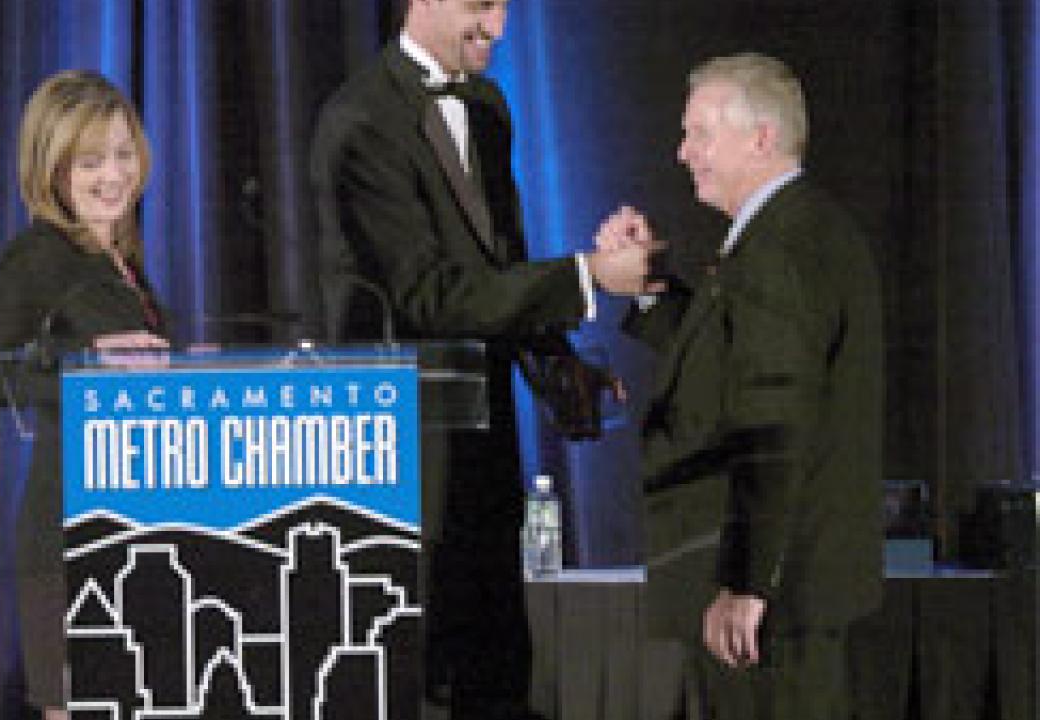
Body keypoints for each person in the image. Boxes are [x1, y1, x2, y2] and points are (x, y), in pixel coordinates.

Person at [309, 1, 655, 717]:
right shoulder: (360, 122)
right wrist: (588, 275)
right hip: (402, 464)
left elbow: (501, 267)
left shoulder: (490, 108)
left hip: (485, 445)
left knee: (496, 679)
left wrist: (561, 366)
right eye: (479, 6)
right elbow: (430, 296)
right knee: (420, 680)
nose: (498, 29)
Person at [605, 53, 883, 719]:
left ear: (760, 138)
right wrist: (651, 292)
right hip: (784, 594)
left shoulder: (781, 246)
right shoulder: (788, 233)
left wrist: (746, 581)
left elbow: (774, 421)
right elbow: (734, 373)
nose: (682, 152)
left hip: (770, 605)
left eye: (699, 133)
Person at [0, 70, 169, 720]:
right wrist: (81, 364)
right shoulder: (39, 256)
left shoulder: (119, 260)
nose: (114, 175)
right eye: (90, 161)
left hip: (134, 531)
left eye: (124, 155)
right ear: (52, 169)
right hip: (70, 540)